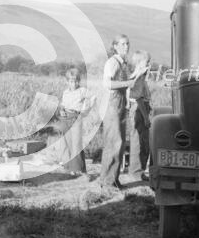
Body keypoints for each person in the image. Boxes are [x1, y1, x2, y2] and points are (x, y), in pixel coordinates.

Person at [99, 35, 146, 190]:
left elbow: (128, 82)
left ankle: (113, 179)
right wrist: (128, 82)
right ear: (115, 46)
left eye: (128, 44)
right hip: (112, 104)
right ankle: (107, 182)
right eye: (123, 44)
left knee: (118, 143)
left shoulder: (123, 63)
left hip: (120, 104)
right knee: (113, 142)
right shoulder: (112, 62)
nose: (126, 47)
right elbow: (108, 83)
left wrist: (138, 73)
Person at [56, 67, 93, 175]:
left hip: (76, 117)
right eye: (71, 81)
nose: (74, 83)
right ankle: (69, 168)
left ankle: (78, 169)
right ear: (67, 82)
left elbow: (93, 98)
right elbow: (62, 104)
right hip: (65, 118)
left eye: (76, 81)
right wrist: (61, 110)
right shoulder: (65, 92)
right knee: (67, 143)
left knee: (76, 143)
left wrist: (86, 110)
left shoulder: (82, 91)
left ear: (79, 81)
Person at [128, 50, 152, 181]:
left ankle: (139, 171)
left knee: (141, 141)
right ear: (139, 63)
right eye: (147, 61)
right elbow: (138, 99)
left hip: (140, 109)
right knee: (139, 142)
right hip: (139, 110)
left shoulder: (138, 76)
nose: (149, 64)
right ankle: (136, 172)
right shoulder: (139, 77)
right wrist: (146, 117)